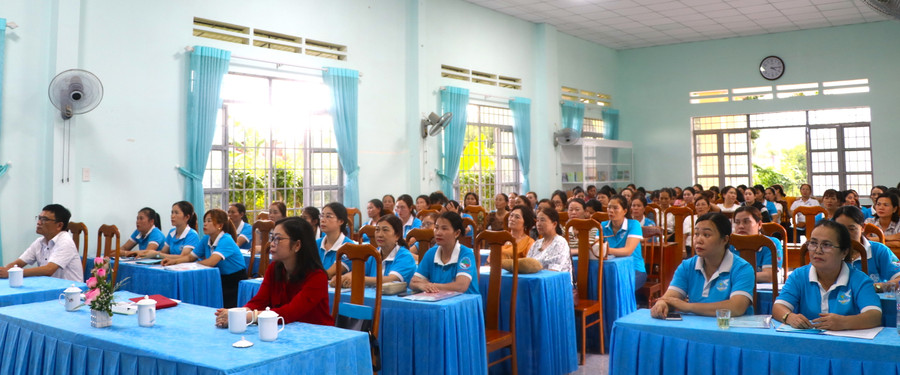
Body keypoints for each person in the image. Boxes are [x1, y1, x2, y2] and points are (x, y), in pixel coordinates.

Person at [216, 217, 333, 327]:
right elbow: (258, 302)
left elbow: (290, 312)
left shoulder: (317, 276)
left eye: (278, 239)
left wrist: (244, 316)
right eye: (273, 238)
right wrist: (236, 313)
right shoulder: (274, 268)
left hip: (315, 335)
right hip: (283, 330)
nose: (271, 244)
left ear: (297, 245)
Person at [772, 221, 882, 331]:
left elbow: (874, 315)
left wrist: (844, 322)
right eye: (813, 243)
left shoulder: (859, 280)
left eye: (826, 245)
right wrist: (789, 317)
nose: (818, 250)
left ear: (844, 252)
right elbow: (778, 306)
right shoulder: (798, 276)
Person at [650, 213, 755, 319]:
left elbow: (736, 308)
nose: (698, 240)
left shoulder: (742, 268)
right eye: (696, 234)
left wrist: (687, 307)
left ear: (725, 240)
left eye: (706, 235)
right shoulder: (687, 266)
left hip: (731, 330)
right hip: (696, 328)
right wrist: (663, 303)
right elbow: (671, 298)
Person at [162, 209, 247, 308]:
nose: (205, 224)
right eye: (204, 221)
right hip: (219, 278)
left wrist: (192, 265)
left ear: (220, 225)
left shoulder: (226, 239)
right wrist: (174, 261)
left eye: (209, 221)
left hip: (234, 282)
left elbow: (211, 262)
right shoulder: (206, 239)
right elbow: (190, 257)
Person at [0, 204, 83, 282]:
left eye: (44, 219)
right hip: (48, 287)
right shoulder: (39, 242)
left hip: (68, 292)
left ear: (59, 225)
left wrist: (13, 273)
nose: (39, 222)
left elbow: (49, 270)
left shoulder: (65, 241)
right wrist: (5, 269)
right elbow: (19, 263)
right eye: (39, 218)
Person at [337, 215, 417, 287]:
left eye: (385, 230)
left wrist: (358, 279)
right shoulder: (372, 254)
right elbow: (359, 272)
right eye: (377, 230)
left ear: (397, 235)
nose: (379, 235)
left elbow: (392, 280)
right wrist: (344, 278)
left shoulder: (405, 256)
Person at [410, 212, 479, 294]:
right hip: (438, 301)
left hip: (462, 304)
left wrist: (430, 285)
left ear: (457, 233)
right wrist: (421, 286)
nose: (438, 233)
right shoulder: (431, 253)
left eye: (444, 228)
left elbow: (461, 286)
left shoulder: (465, 254)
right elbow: (413, 282)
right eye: (436, 228)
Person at [833, 206, 900, 286]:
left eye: (851, 229)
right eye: (840, 229)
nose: (845, 234)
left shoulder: (879, 250)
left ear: (863, 227)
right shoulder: (829, 251)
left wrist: (875, 288)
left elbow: (898, 278)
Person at [601, 195, 646, 288]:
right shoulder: (603, 225)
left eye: (615, 208)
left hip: (634, 268)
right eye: (609, 207)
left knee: (619, 286)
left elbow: (627, 251)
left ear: (625, 211)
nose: (611, 210)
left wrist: (605, 250)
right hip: (610, 267)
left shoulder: (634, 224)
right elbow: (596, 247)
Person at [731, 206, 783, 283]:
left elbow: (769, 276)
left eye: (746, 222)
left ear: (759, 224)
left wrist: (737, 277)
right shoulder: (729, 244)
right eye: (737, 222)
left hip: (763, 292)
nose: (741, 226)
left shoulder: (771, 243)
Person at [136, 201, 200, 259]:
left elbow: (183, 257)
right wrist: (150, 254)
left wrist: (156, 254)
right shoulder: (172, 232)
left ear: (187, 217)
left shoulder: (192, 234)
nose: (172, 216)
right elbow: (163, 252)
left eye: (176, 213)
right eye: (172, 212)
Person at [527, 207, 573, 284]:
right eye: (537, 220)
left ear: (554, 224)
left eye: (542, 220)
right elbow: (527, 265)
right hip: (536, 281)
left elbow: (554, 271)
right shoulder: (536, 243)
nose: (538, 223)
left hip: (555, 284)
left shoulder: (560, 242)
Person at [317, 202, 356, 279]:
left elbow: (329, 274)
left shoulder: (349, 247)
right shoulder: (316, 244)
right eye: (322, 216)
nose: (322, 220)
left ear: (340, 221)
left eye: (328, 216)